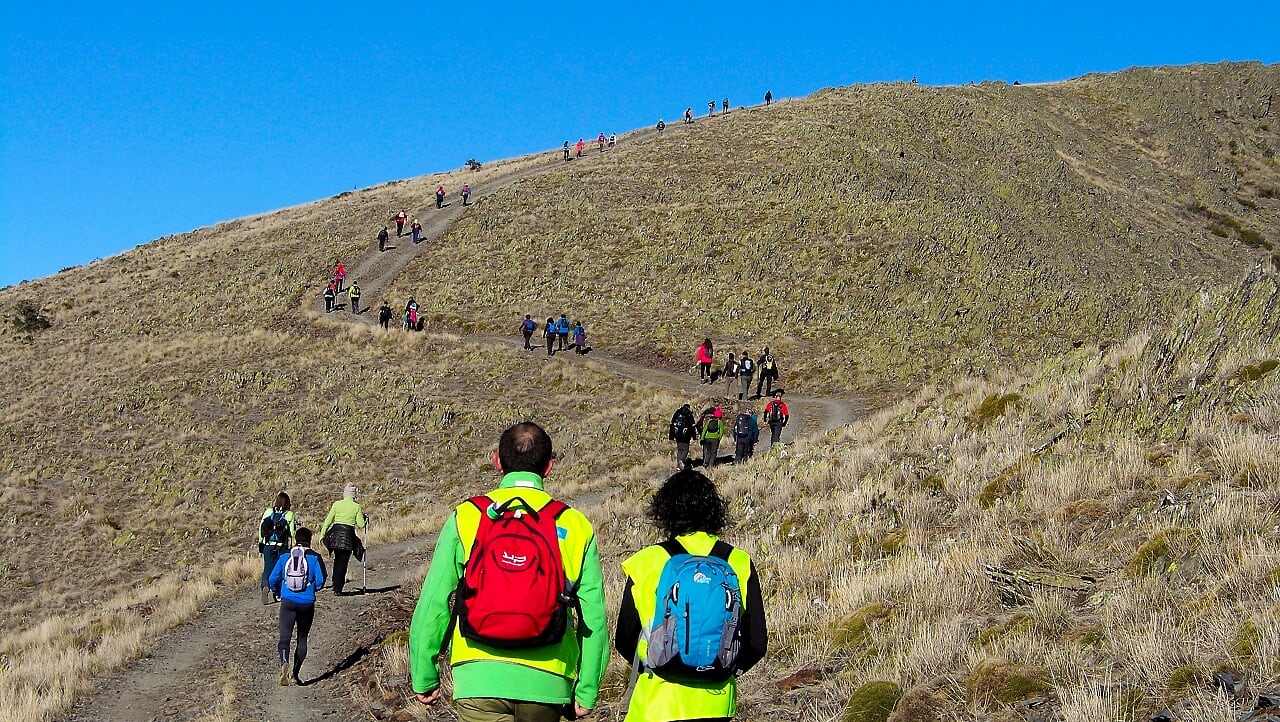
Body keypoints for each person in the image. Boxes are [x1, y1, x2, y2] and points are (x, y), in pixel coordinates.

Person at [409, 422, 609, 721]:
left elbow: (434, 601)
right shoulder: (575, 524)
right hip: (549, 677)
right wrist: (587, 689)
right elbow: (594, 618)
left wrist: (424, 673)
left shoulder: (468, 516)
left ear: (497, 461)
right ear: (548, 467)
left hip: (478, 676)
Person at [615, 470, 767, 722]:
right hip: (716, 704)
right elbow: (757, 643)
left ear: (664, 510)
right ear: (714, 510)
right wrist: (725, 671)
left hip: (656, 703)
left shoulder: (647, 562)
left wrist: (657, 665)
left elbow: (624, 638)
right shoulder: (739, 561)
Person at [268, 526, 327, 686]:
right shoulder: (315, 557)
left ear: (295, 539)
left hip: (287, 601)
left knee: (284, 637)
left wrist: (278, 591)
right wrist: (311, 589)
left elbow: (272, 578)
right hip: (307, 603)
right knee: (302, 638)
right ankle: (295, 674)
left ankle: (284, 662)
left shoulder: (285, 555)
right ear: (310, 540)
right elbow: (321, 580)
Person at [320, 485, 366, 595]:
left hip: (335, 535)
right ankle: (338, 587)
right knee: (343, 562)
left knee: (337, 560)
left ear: (345, 493)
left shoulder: (337, 504)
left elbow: (328, 520)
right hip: (347, 537)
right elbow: (361, 524)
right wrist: (364, 518)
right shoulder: (356, 507)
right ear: (354, 495)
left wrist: (322, 534)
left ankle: (335, 584)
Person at [258, 492, 297, 605]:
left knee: (268, 568)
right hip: (282, 546)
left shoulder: (269, 511)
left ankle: (265, 586)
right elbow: (292, 533)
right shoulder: (289, 514)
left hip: (268, 545)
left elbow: (262, 527)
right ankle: (278, 593)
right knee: (280, 569)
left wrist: (261, 542)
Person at [668, 403, 698, 470]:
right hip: (686, 436)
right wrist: (694, 437)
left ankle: (679, 465)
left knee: (680, 450)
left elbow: (672, 425)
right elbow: (692, 427)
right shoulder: (689, 415)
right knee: (685, 450)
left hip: (677, 435)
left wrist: (671, 437)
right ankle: (681, 461)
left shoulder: (677, 413)